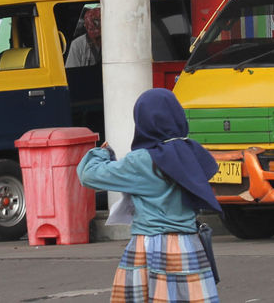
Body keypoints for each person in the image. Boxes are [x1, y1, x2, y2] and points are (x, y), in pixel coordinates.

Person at [77, 88, 221, 302]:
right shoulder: (191, 151)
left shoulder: (143, 161)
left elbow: (88, 175)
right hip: (188, 246)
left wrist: (103, 152)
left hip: (150, 248)